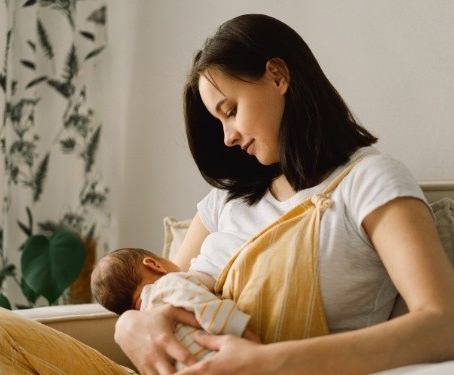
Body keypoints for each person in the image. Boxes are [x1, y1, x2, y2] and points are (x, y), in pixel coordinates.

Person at [113, 13, 454, 374]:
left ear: (278, 76)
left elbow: (442, 323)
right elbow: (168, 290)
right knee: (42, 342)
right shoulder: (226, 201)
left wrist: (269, 362)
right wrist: (128, 326)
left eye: (231, 111)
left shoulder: (369, 181)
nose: (227, 137)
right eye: (220, 122)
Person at [90, 247, 251, 369]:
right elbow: (212, 310)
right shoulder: (169, 284)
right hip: (224, 362)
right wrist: (248, 336)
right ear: (154, 264)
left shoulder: (146, 332)